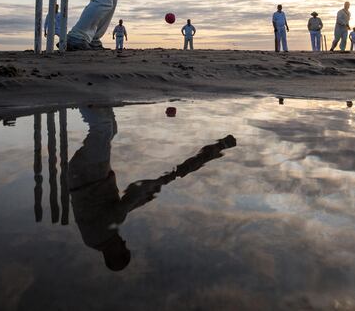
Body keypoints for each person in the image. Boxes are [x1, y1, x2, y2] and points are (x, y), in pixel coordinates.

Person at [69, 106, 235, 271]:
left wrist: (152, 187)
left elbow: (130, 198)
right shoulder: (95, 240)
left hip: (88, 174)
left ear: (114, 253)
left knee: (103, 128)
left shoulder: (103, 233)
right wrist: (147, 195)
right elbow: (125, 204)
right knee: (110, 129)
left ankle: (82, 97)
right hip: (88, 175)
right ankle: (98, 99)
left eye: (123, 248)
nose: (124, 242)